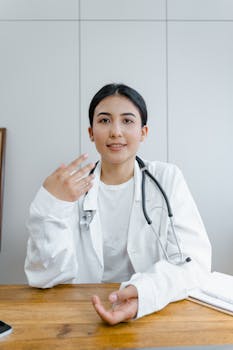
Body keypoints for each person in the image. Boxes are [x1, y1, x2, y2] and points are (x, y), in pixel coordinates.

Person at [25, 83, 211, 325]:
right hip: (82, 313)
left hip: (153, 310)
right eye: (104, 121)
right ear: (91, 132)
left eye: (127, 121)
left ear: (143, 132)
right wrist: (51, 205)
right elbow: (45, 275)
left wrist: (143, 293)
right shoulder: (70, 188)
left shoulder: (167, 179)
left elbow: (194, 263)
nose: (115, 132)